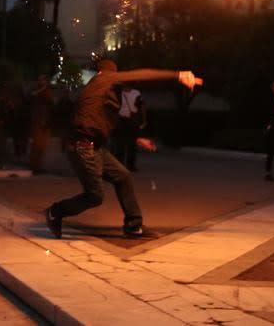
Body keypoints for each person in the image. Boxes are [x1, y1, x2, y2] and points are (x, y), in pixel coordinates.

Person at [44, 59, 201, 239]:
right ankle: (54, 212)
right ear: (110, 73)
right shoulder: (108, 79)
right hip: (84, 147)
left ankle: (133, 225)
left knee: (123, 176)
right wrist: (177, 75)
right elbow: (142, 75)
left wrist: (136, 139)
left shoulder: (97, 88)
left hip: (94, 147)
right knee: (94, 196)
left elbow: (103, 123)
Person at [115, 85, 146, 171]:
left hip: (132, 120)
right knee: (120, 144)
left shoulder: (136, 93)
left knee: (131, 143)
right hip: (121, 120)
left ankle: (130, 165)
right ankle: (120, 165)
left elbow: (142, 106)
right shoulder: (119, 94)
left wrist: (143, 119)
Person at [28, 75, 53, 173]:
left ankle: (37, 165)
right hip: (39, 122)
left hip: (45, 122)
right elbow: (31, 96)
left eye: (44, 80)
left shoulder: (46, 92)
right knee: (37, 145)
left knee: (42, 145)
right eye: (41, 80)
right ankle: (35, 165)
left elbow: (51, 102)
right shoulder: (37, 92)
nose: (43, 82)